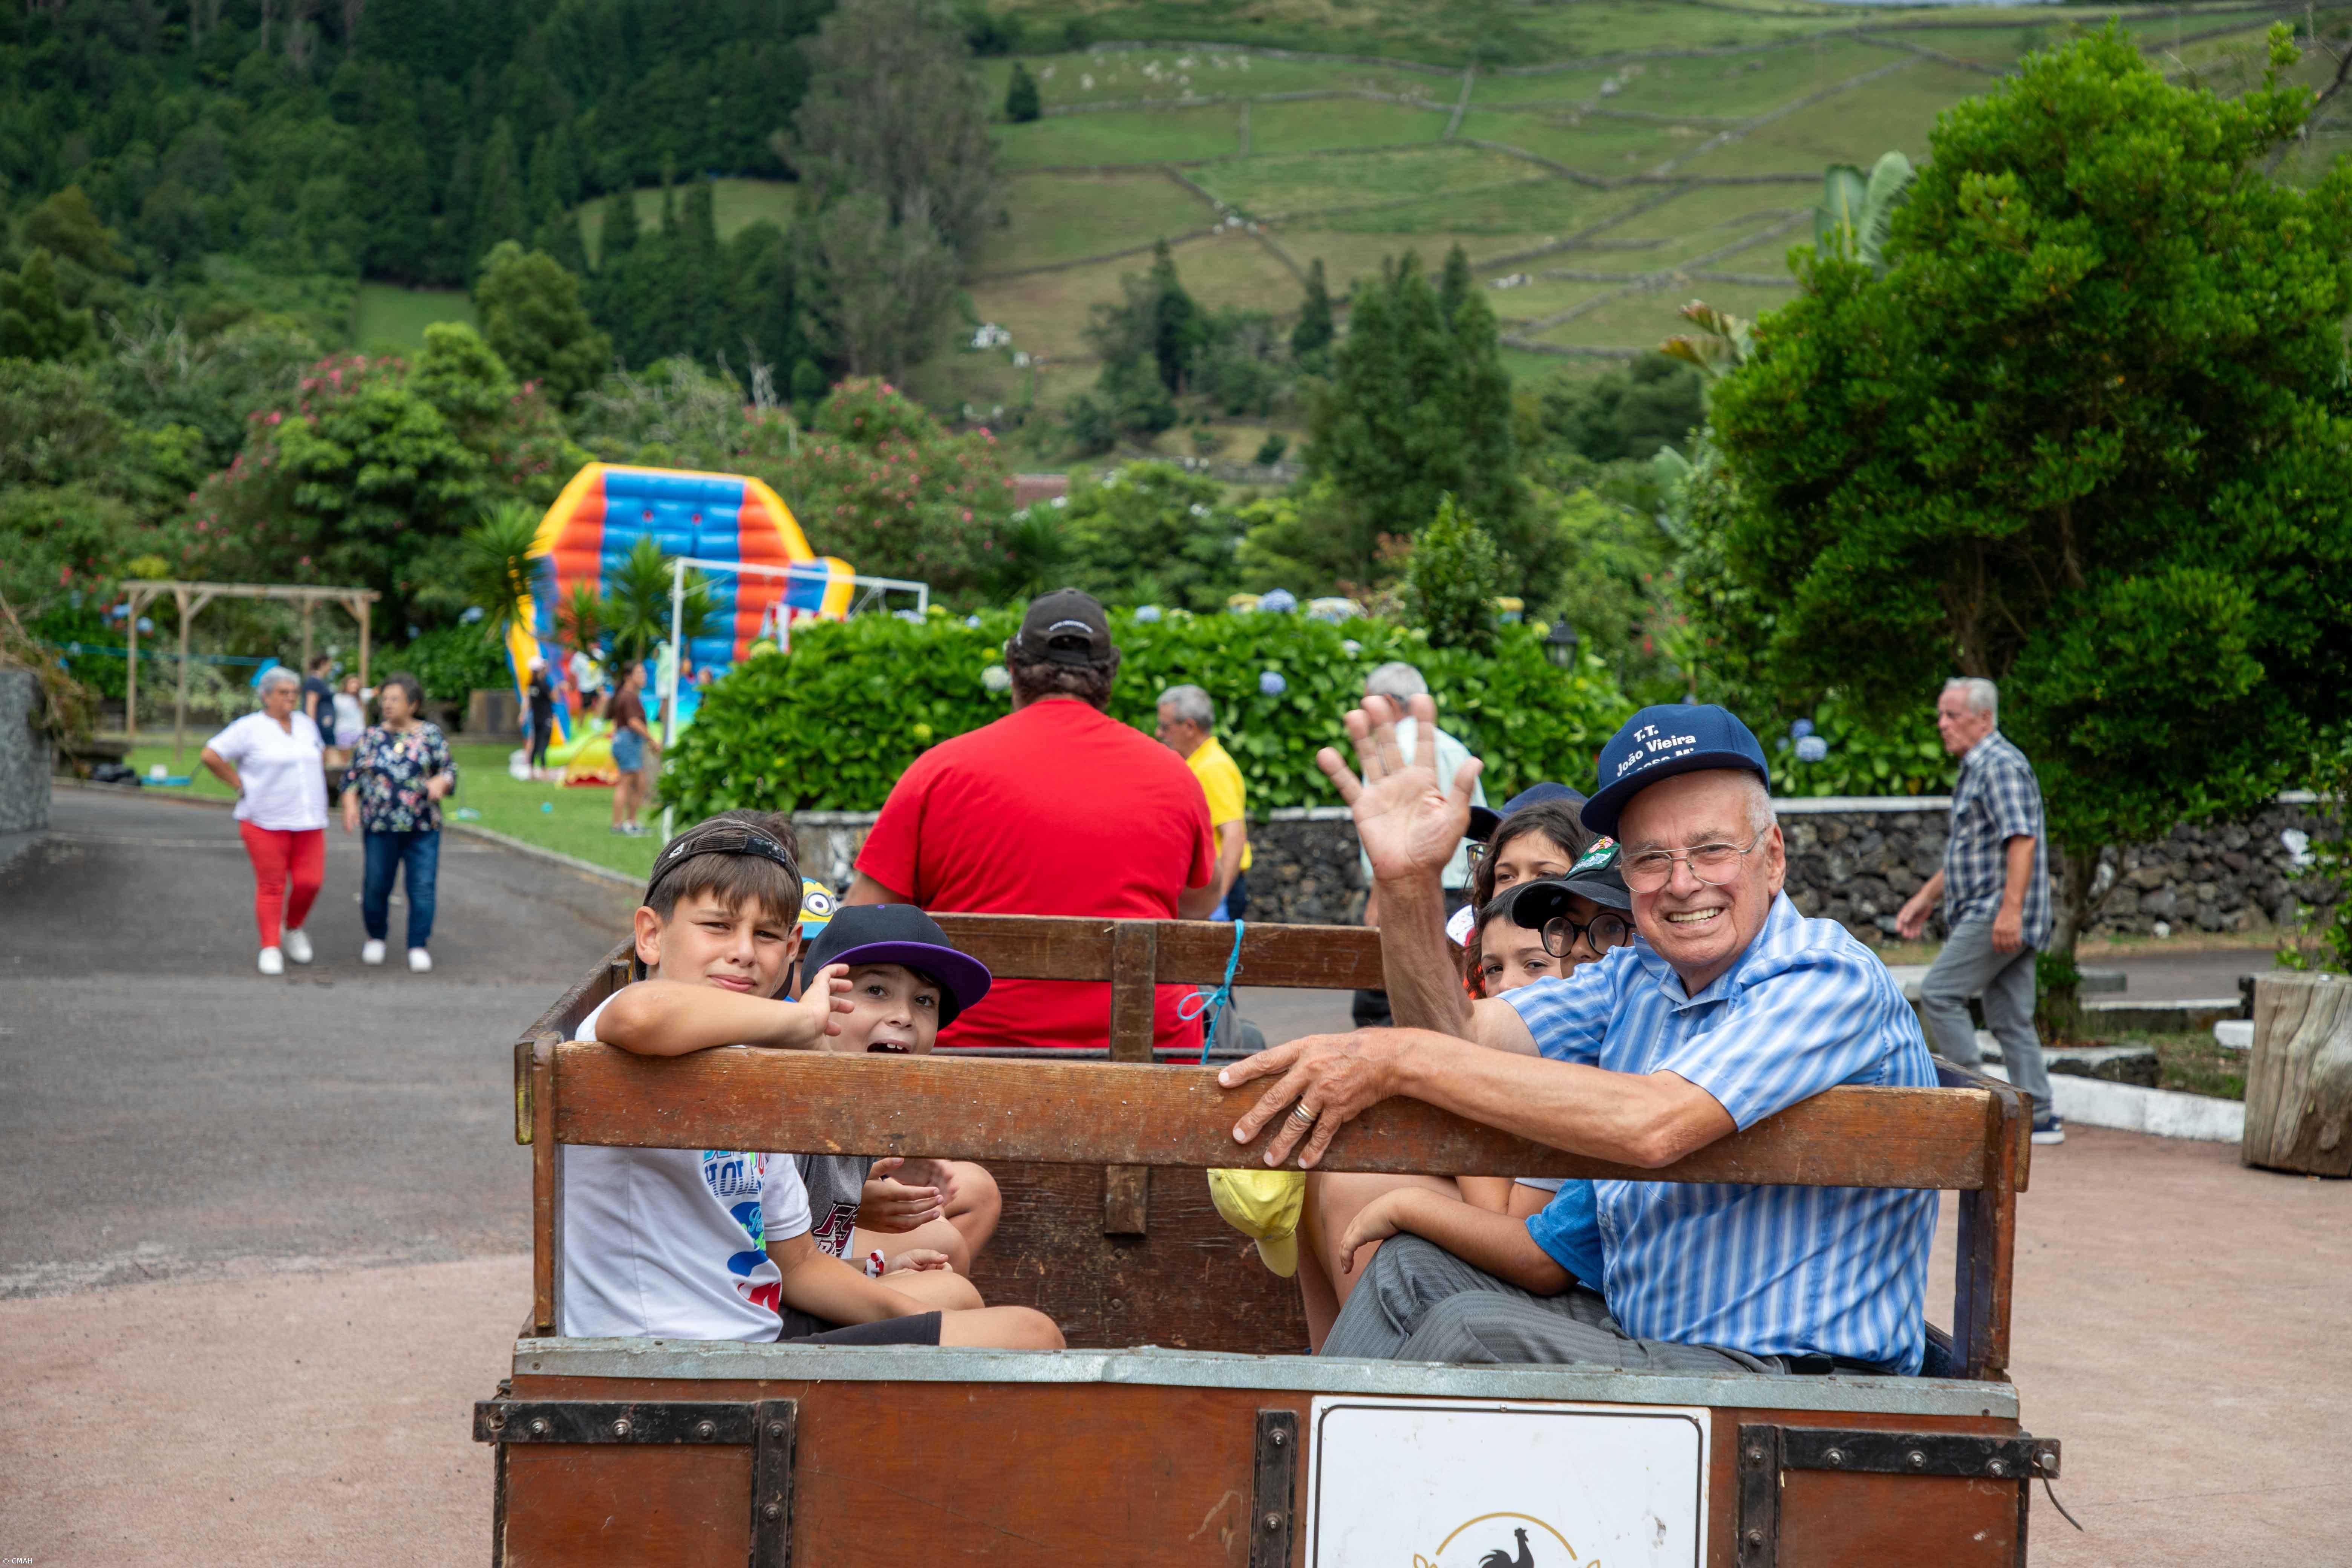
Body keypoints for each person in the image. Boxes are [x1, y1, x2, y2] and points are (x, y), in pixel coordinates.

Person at [1224, 698, 1939, 1376]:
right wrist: (1410, 884)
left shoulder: (1823, 977)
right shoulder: (1641, 977)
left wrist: (1400, 1058)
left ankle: (1337, 1478)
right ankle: (1337, 1478)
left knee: (1470, 1332)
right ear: (1625, 871)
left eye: (1713, 849)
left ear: (1773, 856)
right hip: (1646, 1335)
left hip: (1794, 1371)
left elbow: (1652, 1123)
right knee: (1403, 1267)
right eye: (1652, 858)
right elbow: (1461, 1034)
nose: (1683, 883)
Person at [557, 812, 1063, 1350]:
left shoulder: (760, 1067)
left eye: (767, 935)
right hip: (663, 1356)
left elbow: (797, 1264)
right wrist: (801, 1021)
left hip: (754, 1338)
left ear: (791, 951)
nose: (745, 952)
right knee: (1031, 1336)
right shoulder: (624, 1030)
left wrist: (912, 1320)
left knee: (979, 1313)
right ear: (651, 936)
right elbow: (640, 1014)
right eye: (718, 926)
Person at [846, 589, 1219, 1053]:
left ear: (1014, 667)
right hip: (1145, 1052)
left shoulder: (941, 770)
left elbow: (859, 919)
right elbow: (1202, 902)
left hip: (971, 1053)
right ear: (1108, 675)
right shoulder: (1175, 776)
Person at [1292, 848, 1633, 1349]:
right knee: (1340, 1184)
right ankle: (1324, 1396)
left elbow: (1536, 1250)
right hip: (1577, 1270)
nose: (1581, 953)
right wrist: (1404, 881)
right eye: (1569, 931)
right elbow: (1452, 1035)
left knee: (1370, 1203)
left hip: (1610, 1305)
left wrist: (1412, 1198)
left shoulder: (1605, 1043)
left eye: (1608, 931)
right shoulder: (1585, 1012)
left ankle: (1339, 1404)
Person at [788, 903, 1006, 1282]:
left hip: (823, 1257)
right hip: (785, 1280)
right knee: (950, 1280)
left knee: (959, 1230)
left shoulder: (882, 1091)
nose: (903, 1015)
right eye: (877, 990)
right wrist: (859, 1203)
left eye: (924, 1000)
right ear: (820, 1000)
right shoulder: (789, 1083)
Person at [1896, 677, 2062, 1144]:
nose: (1942, 725)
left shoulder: (2001, 764)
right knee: (2009, 1015)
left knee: (1940, 993)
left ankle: (1974, 1103)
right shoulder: (1978, 765)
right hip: (1999, 907)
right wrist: (1926, 898)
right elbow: (1973, 852)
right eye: (1941, 715)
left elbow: (2022, 839)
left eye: (1953, 716)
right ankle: (2041, 1115)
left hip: (1998, 910)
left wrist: (2010, 912)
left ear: (1984, 718)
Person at [1351, 661, 1487, 1029]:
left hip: (1413, 889)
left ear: (1389, 705)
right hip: (1464, 891)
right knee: (1449, 1001)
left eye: (1367, 704)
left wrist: (1378, 902)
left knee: (1382, 1005)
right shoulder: (1453, 746)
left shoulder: (1391, 750)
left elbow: (1393, 846)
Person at [199, 665, 328, 976]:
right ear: (266, 696)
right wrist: (239, 784)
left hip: (309, 821)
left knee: (311, 882)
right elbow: (211, 755)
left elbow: (317, 758)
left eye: (294, 693)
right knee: (272, 885)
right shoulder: (249, 728)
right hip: (264, 821)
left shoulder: (306, 725)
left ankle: (293, 928)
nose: (290, 699)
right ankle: (270, 946)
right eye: (283, 693)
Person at [340, 672, 457, 973]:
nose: (388, 705)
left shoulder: (431, 735)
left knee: (422, 886)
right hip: (379, 826)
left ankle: (418, 944)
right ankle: (376, 937)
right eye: (385, 699)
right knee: (377, 884)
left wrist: (441, 783)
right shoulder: (371, 736)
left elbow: (448, 770)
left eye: (396, 700)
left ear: (413, 704)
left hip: (422, 827)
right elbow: (352, 776)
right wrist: (351, 805)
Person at [1155, 683, 1251, 920]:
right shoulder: (1200, 763)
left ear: (1190, 727)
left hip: (1215, 888)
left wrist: (1219, 900)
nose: (1159, 734)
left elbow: (1234, 836)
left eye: (1166, 727)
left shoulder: (1212, 768)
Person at [607, 659, 654, 836]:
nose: (644, 677)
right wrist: (652, 739)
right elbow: (633, 722)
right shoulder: (628, 696)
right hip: (628, 742)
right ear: (629, 676)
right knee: (626, 783)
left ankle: (631, 822)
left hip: (627, 742)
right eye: (640, 673)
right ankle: (619, 824)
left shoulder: (626, 695)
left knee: (640, 783)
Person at [524, 657, 557, 780]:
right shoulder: (544, 684)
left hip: (536, 718)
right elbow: (555, 698)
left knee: (536, 744)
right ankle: (544, 772)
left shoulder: (531, 684)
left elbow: (529, 701)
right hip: (545, 718)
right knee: (544, 744)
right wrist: (557, 687)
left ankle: (532, 771)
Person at [330, 674, 367, 760]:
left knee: (361, 757)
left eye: (356, 683)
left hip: (359, 731)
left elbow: (376, 691)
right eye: (352, 683)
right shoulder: (338, 698)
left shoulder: (361, 697)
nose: (354, 685)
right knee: (345, 761)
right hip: (344, 730)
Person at [299, 654, 335, 736]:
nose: (331, 668)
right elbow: (311, 706)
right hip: (319, 728)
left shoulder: (321, 681)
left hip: (325, 727)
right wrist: (312, 728)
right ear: (323, 664)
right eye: (330, 664)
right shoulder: (314, 681)